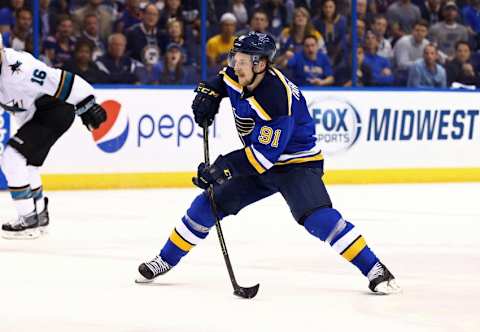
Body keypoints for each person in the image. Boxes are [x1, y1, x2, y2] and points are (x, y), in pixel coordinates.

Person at [137, 32, 401, 295]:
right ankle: (164, 260)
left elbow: (263, 157)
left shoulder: (276, 98)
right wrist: (210, 93)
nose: (235, 65)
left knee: (317, 218)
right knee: (207, 204)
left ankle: (375, 269)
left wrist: (222, 168)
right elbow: (220, 80)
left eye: (242, 60)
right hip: (259, 159)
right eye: (235, 58)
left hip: (296, 164)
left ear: (260, 64)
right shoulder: (238, 73)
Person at [0, 38, 107, 239]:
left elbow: (58, 79)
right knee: (28, 164)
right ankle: (39, 215)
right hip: (39, 114)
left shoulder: (18, 66)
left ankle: (27, 220)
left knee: (12, 157)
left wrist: (86, 102)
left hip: (53, 109)